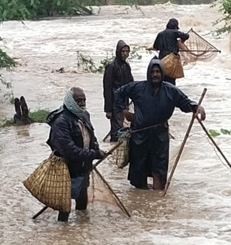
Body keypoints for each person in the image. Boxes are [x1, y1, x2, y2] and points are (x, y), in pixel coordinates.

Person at [113, 57, 206, 191]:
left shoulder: (171, 90)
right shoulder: (137, 87)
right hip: (140, 135)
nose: (155, 75)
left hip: (160, 136)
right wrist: (123, 111)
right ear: (148, 73)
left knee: (159, 169)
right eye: (152, 72)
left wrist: (197, 107)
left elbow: (185, 102)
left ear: (162, 73)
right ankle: (143, 198)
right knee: (139, 169)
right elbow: (118, 93)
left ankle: (157, 197)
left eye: (158, 72)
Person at [46, 87, 106, 222]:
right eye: (78, 100)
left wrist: (95, 148)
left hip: (83, 165)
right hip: (65, 168)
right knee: (64, 206)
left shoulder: (85, 115)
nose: (82, 103)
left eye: (84, 100)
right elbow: (69, 150)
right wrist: (94, 154)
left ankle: (81, 230)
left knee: (82, 202)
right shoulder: (60, 121)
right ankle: (63, 234)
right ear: (70, 101)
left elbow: (91, 136)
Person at [103, 40, 133, 143]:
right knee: (116, 131)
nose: (125, 53)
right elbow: (107, 88)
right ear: (118, 52)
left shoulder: (126, 66)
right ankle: (114, 151)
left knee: (123, 128)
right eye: (123, 51)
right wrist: (108, 109)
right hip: (114, 103)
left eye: (127, 51)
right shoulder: (111, 66)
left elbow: (131, 84)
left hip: (124, 102)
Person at [152, 18, 189, 86]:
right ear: (175, 26)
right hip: (172, 59)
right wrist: (182, 40)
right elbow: (186, 36)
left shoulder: (160, 34)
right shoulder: (174, 32)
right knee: (171, 80)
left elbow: (156, 46)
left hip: (162, 60)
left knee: (162, 79)